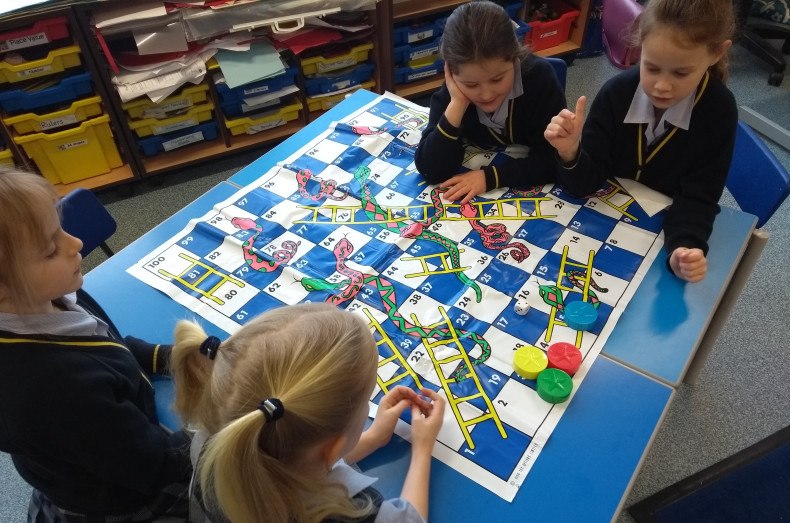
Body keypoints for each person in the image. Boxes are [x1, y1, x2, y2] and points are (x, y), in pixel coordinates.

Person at [0, 168, 191, 521]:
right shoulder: (50, 388)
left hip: (105, 448)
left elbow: (102, 341)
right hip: (122, 494)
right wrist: (217, 436)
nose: (74, 244)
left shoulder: (53, 294)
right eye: (49, 249)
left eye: (62, 227)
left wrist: (165, 356)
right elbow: (153, 466)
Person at [171, 302, 445, 522]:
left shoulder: (214, 438)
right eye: (366, 403)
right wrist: (423, 448)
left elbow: (297, 460)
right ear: (332, 448)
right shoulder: (346, 512)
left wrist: (373, 437)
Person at [544, 0, 737, 283]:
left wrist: (684, 247)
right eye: (652, 68)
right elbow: (584, 184)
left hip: (663, 234)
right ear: (640, 47)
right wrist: (570, 152)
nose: (661, 86)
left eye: (681, 73)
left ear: (717, 53)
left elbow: (698, 198)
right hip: (601, 224)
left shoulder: (718, 110)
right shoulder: (616, 94)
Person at [414, 0, 566, 203]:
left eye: (497, 79)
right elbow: (431, 170)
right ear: (451, 73)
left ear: (515, 58)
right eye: (471, 84)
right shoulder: (452, 93)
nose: (485, 95)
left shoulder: (539, 79)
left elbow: (553, 160)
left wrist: (490, 177)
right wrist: (458, 103)